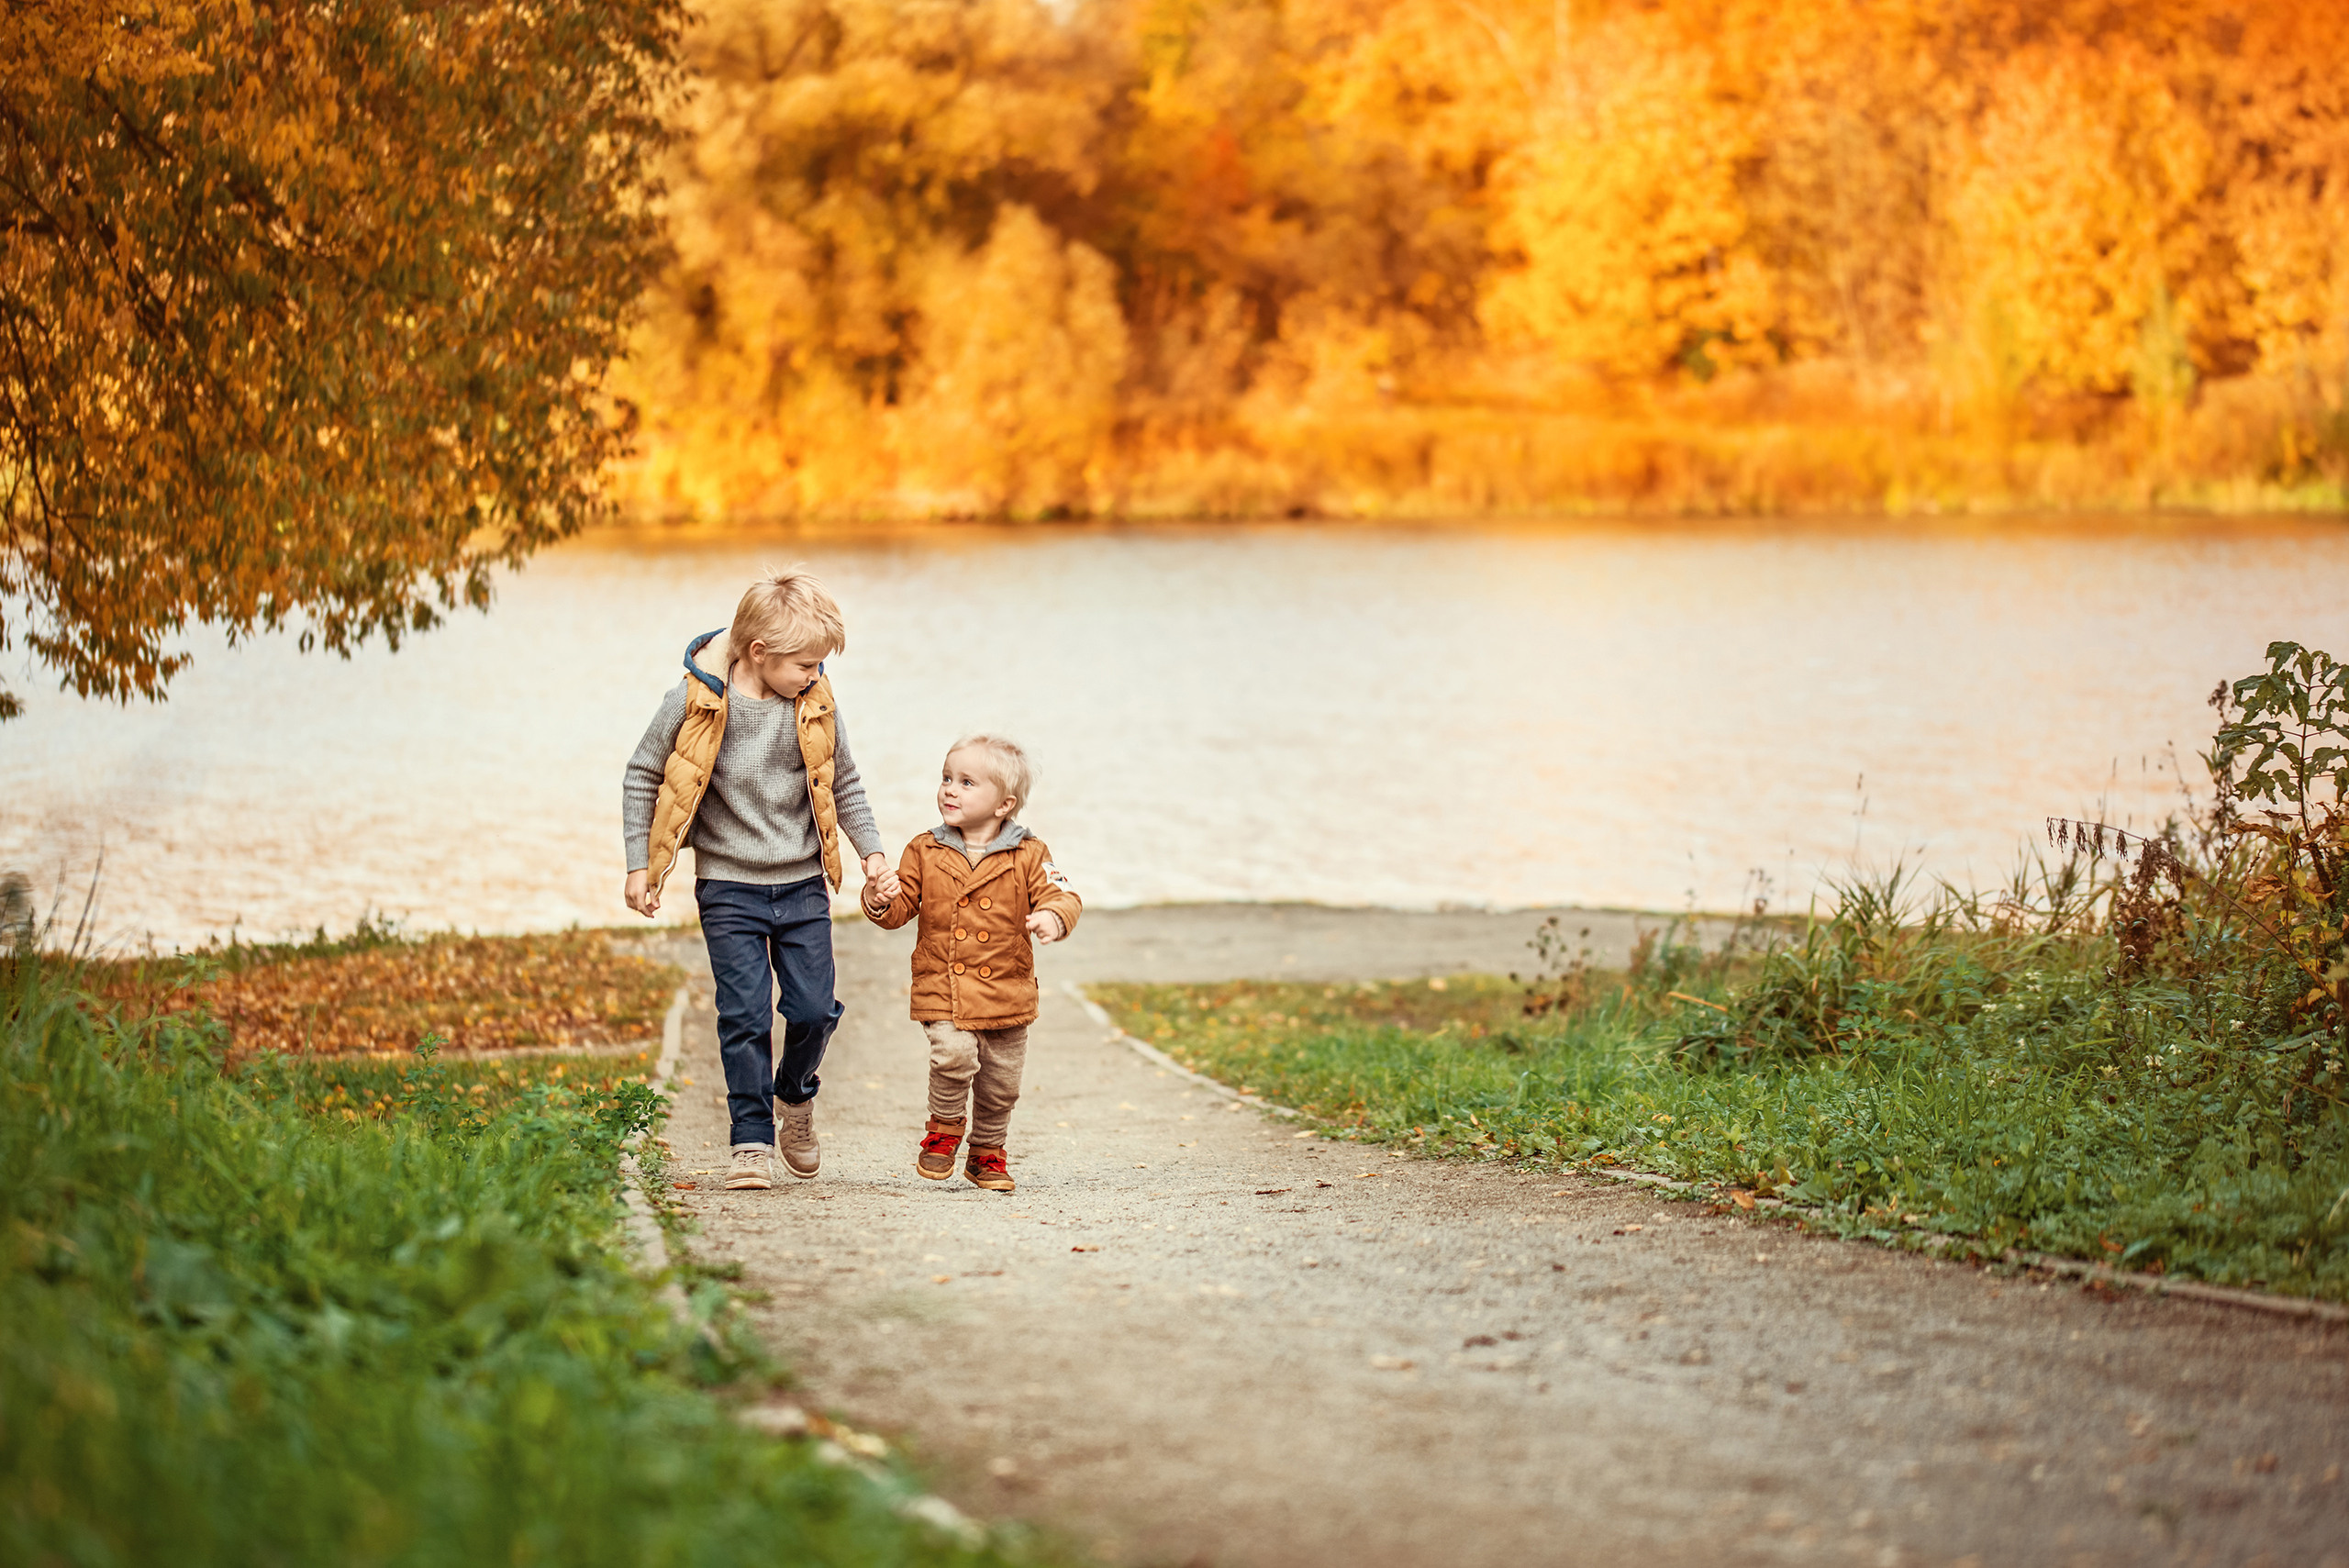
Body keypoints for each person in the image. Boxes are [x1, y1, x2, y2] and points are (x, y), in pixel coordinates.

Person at [621, 569, 898, 1191]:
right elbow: (643, 774)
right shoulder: (693, 703)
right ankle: (750, 1139)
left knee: (813, 1010)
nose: (816, 674)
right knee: (743, 1014)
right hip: (728, 888)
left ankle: (794, 1096)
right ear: (758, 653)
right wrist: (641, 864)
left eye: (821, 663)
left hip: (801, 884)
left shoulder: (817, 704)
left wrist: (872, 856)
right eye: (805, 663)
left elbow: (844, 781)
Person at [862, 735, 1081, 1193]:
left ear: (1004, 804)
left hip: (1007, 991)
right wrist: (880, 897)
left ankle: (986, 1153)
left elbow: (1063, 894)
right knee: (953, 1054)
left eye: (966, 782)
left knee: (1002, 1084)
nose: (949, 790)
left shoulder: (1030, 853)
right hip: (945, 984)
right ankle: (942, 1131)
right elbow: (901, 907)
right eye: (946, 778)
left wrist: (1052, 917)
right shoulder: (925, 849)